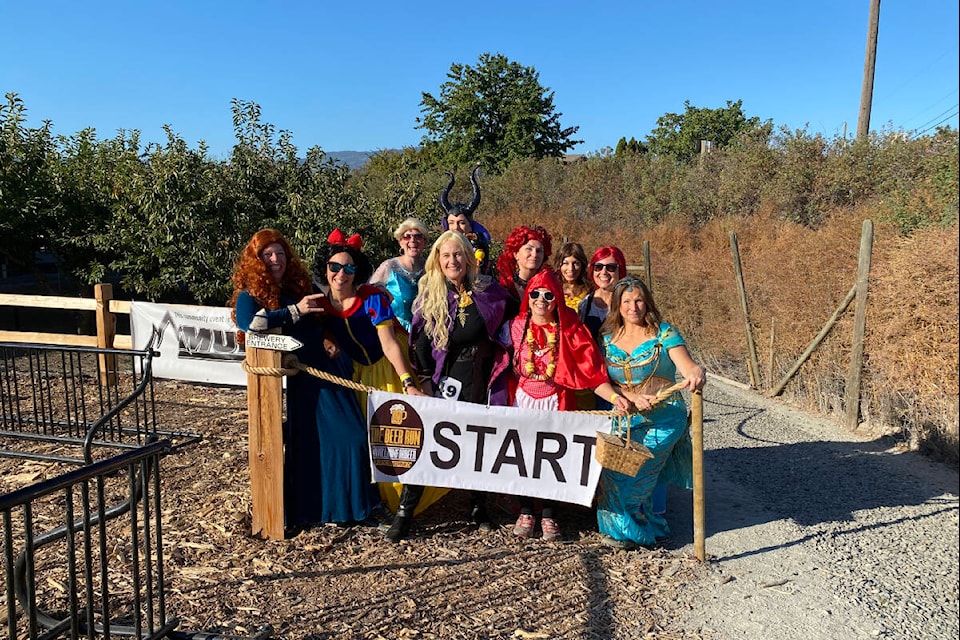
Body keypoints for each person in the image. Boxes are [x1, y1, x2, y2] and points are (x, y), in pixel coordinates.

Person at [229, 228, 377, 527]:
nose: (275, 260)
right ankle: (317, 510)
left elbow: (330, 305)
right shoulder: (250, 295)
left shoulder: (299, 286)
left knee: (352, 437)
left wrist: (328, 333)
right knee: (328, 440)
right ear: (256, 260)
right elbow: (252, 324)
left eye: (280, 254)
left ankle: (352, 510)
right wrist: (293, 311)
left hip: (331, 369)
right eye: (268, 255)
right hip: (305, 376)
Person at [385, 230, 514, 542]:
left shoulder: (491, 293)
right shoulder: (430, 297)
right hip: (447, 379)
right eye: (446, 255)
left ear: (468, 258)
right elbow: (418, 345)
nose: (453, 260)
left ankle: (478, 506)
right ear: (438, 261)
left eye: (458, 254)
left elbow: (515, 322)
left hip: (483, 377)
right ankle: (406, 511)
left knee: (481, 443)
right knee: (429, 440)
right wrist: (427, 380)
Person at [506, 269, 630, 541]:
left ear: (557, 299)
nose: (541, 300)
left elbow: (591, 372)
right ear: (528, 297)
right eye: (535, 294)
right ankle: (526, 510)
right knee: (521, 455)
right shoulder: (515, 327)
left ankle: (550, 513)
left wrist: (614, 397)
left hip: (555, 402)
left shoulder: (569, 329)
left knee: (552, 456)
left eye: (549, 295)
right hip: (522, 400)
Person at [595, 276, 706, 549]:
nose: (634, 307)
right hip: (625, 417)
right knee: (613, 474)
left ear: (648, 303)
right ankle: (637, 530)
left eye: (639, 300)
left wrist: (695, 373)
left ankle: (632, 534)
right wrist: (629, 396)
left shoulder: (664, 333)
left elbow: (687, 365)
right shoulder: (607, 337)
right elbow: (603, 380)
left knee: (638, 473)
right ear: (618, 305)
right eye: (627, 301)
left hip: (665, 418)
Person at [311, 229, 428, 406]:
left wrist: (408, 382)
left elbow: (389, 344)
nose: (341, 274)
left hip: (391, 366)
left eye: (349, 268)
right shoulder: (320, 305)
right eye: (335, 267)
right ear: (325, 269)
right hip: (359, 374)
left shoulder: (372, 299)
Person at [369, 217, 429, 336]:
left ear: (425, 242)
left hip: (425, 334)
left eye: (418, 236)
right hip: (396, 333)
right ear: (400, 242)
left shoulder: (431, 268)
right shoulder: (388, 267)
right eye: (407, 236)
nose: (413, 240)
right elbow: (369, 295)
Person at [439, 166, 494, 275]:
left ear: (470, 224)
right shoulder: (442, 245)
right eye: (451, 223)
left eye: (462, 223)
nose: (456, 228)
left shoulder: (478, 242)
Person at [496, 224, 553, 313]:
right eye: (529, 249)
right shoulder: (503, 285)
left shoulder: (548, 285)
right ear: (516, 254)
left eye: (539, 251)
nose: (534, 255)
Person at [578, 245, 627, 343]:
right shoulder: (585, 303)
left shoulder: (627, 302)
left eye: (611, 268)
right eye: (598, 267)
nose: (603, 272)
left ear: (620, 270)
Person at [554, 241, 592, 311]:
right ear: (559, 265)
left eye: (576, 263)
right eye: (565, 263)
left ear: (582, 265)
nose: (571, 268)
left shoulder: (590, 290)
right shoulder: (552, 288)